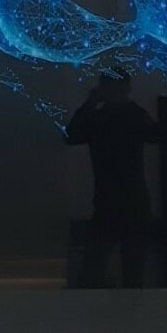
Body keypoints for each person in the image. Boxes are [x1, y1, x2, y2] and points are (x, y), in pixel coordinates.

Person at [65, 68, 158, 288]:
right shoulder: (134, 115)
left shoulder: (100, 118)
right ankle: (130, 307)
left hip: (109, 201)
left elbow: (71, 136)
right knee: (131, 269)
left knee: (95, 269)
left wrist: (90, 103)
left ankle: (97, 307)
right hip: (132, 200)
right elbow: (155, 135)